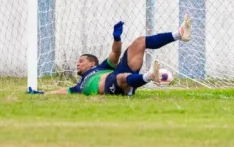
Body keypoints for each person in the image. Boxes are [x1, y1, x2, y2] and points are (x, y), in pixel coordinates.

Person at [46, 15, 191, 96]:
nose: (77, 63)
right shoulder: (78, 87)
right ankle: (148, 77)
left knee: (140, 42)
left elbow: (116, 53)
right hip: (113, 83)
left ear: (92, 64)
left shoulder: (102, 67)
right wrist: (42, 94)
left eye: (81, 61)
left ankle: (179, 34)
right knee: (120, 77)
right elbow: (62, 91)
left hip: (116, 73)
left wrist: (116, 38)